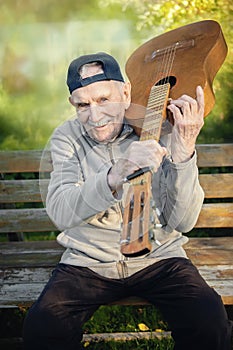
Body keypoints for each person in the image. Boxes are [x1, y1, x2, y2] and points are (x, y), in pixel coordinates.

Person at [23, 52, 232, 350]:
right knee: (43, 327)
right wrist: (114, 174)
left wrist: (183, 152)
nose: (95, 117)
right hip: (89, 262)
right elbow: (60, 210)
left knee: (208, 320)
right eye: (83, 105)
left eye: (104, 100)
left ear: (125, 92)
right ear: (73, 104)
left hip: (160, 259)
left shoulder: (160, 127)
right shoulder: (66, 139)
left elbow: (184, 221)